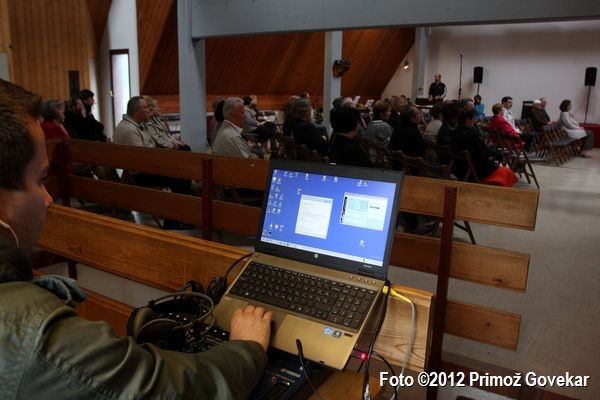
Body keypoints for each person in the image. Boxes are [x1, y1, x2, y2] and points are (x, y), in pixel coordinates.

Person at [0, 79, 272, 399]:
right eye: (40, 179)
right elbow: (174, 390)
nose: (48, 199)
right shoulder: (33, 330)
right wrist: (247, 347)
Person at [114, 96, 193, 229]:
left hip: (147, 167)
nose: (148, 110)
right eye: (145, 107)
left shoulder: (137, 125)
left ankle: (180, 215)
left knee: (181, 172)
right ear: (136, 111)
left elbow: (150, 148)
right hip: (139, 173)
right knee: (180, 178)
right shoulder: (129, 129)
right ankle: (173, 220)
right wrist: (164, 163)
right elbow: (142, 158)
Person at [451, 108, 517, 187]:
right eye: (473, 118)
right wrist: (494, 159)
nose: (475, 120)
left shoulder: (455, 132)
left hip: (460, 169)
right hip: (476, 171)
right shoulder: (471, 135)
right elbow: (481, 153)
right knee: (506, 172)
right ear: (468, 120)